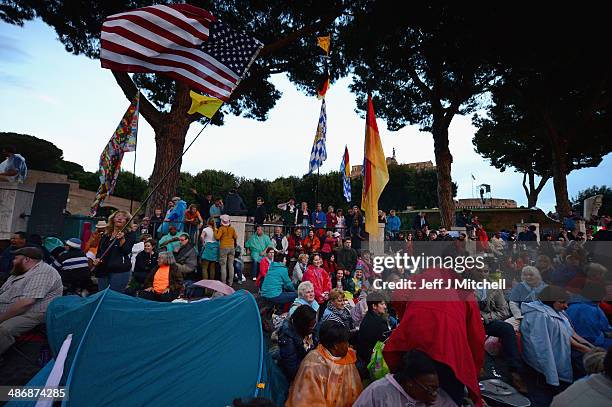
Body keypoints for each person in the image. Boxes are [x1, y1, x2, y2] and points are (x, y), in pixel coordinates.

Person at [384, 267, 485, 406]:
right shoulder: (464, 290)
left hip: (415, 341)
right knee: (449, 395)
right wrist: (475, 370)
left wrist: (406, 317)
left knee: (411, 392)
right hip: (448, 350)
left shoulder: (419, 279)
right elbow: (477, 338)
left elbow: (398, 296)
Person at [472, 266, 527, 393]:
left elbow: (504, 311)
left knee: (507, 329)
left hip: (486, 321)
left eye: (485, 271)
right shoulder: (464, 286)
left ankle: (515, 371)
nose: (482, 273)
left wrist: (485, 317)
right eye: (479, 270)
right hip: (468, 321)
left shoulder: (495, 288)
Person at [0, 247, 62, 356]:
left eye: (16, 258)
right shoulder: (20, 271)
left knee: (4, 329)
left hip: (33, 313)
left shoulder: (43, 272)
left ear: (27, 260)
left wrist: (2, 318)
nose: (13, 261)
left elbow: (26, 303)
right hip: (12, 309)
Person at [285, 321, 363, 407]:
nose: (348, 345)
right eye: (345, 342)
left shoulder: (347, 357)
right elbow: (307, 400)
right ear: (335, 346)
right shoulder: (312, 365)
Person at [520, 285, 575, 406]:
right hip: (541, 372)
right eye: (562, 302)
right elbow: (542, 347)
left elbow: (569, 335)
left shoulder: (557, 313)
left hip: (556, 369)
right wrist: (552, 378)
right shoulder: (539, 316)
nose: (566, 306)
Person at [354, 349, 457, 407]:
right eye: (430, 389)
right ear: (409, 382)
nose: (434, 395)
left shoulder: (439, 400)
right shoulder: (378, 393)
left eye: (436, 389)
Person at [94, 210, 136, 292]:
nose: (120, 218)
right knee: (101, 295)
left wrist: (122, 239)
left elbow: (126, 250)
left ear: (127, 222)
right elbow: (100, 251)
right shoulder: (106, 235)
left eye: (123, 217)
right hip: (103, 270)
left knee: (114, 296)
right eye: (118, 216)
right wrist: (98, 259)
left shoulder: (130, 234)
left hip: (119, 270)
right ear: (113, 219)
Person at [566, 283, 612, 349]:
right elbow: (603, 328)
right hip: (592, 345)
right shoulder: (592, 309)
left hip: (574, 345)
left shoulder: (572, 306)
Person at [278, 305, 317, 380]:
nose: (313, 328)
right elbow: (292, 370)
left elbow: (315, 341)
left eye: (314, 324)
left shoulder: (308, 328)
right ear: (302, 325)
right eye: (311, 326)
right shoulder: (288, 339)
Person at [356, 291, 390, 368]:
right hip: (373, 360)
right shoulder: (378, 323)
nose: (385, 306)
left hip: (365, 357)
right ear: (374, 306)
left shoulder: (368, 317)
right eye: (382, 304)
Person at [214, 214, 238, 286]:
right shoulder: (232, 228)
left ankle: (223, 283)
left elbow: (217, 237)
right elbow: (236, 237)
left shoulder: (221, 228)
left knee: (223, 266)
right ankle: (230, 282)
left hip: (223, 248)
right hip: (231, 247)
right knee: (231, 265)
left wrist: (215, 230)